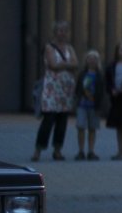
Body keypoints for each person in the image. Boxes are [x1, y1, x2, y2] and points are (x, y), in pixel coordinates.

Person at [31, 21, 79, 162]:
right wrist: (67, 65)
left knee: (62, 120)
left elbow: (76, 63)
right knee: (48, 119)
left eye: (65, 30)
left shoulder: (69, 48)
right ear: (55, 32)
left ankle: (57, 150)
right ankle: (38, 149)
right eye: (60, 30)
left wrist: (63, 64)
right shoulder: (49, 47)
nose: (62, 33)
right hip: (52, 89)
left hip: (66, 90)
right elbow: (53, 65)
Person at [72, 49, 105, 160]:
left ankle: (91, 151)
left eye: (94, 58)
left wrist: (100, 105)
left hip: (94, 105)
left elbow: (102, 91)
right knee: (80, 127)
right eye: (90, 58)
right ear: (86, 60)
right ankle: (81, 151)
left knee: (92, 128)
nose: (92, 60)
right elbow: (78, 88)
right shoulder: (82, 74)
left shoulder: (100, 75)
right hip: (82, 104)